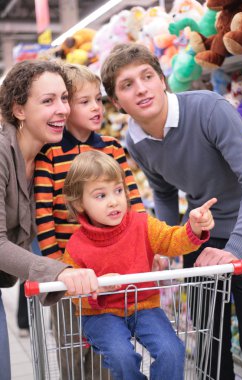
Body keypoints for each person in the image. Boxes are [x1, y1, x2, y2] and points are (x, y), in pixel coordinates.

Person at [100, 42, 242, 380]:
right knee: (210, 343)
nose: (141, 89)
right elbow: (165, 192)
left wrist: (235, 251)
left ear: (162, 80)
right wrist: (164, 245)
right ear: (115, 101)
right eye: (127, 85)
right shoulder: (135, 141)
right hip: (200, 232)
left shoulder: (209, 110)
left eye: (147, 76)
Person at [61, 150, 216, 380]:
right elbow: (73, 290)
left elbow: (172, 241)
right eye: (100, 195)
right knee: (120, 356)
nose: (114, 201)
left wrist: (193, 228)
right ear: (79, 204)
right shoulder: (76, 246)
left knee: (172, 350)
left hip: (144, 306)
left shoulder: (142, 225)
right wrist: (95, 288)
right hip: (100, 313)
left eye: (118, 190)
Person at [34, 63, 144, 379]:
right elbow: (43, 216)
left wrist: (141, 251)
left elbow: (133, 204)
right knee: (71, 351)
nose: (96, 107)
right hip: (68, 275)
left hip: (110, 272)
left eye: (99, 99)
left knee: (107, 354)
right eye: (85, 101)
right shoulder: (50, 155)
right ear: (66, 108)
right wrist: (57, 269)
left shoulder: (111, 148)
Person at [0, 60, 100, 380]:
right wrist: (59, 271)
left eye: (64, 98)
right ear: (19, 110)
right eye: (47, 101)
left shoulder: (44, 155)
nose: (63, 109)